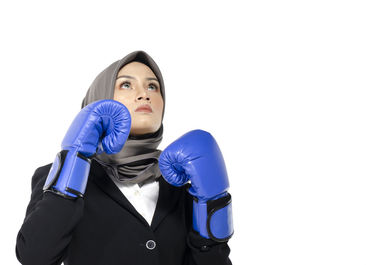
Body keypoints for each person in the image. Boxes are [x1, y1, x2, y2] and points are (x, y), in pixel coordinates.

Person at [15, 50, 233, 265]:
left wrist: (213, 203)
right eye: (126, 85)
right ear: (100, 98)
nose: (144, 94)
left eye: (152, 86)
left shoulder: (183, 183)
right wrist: (74, 158)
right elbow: (34, 257)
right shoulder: (62, 176)